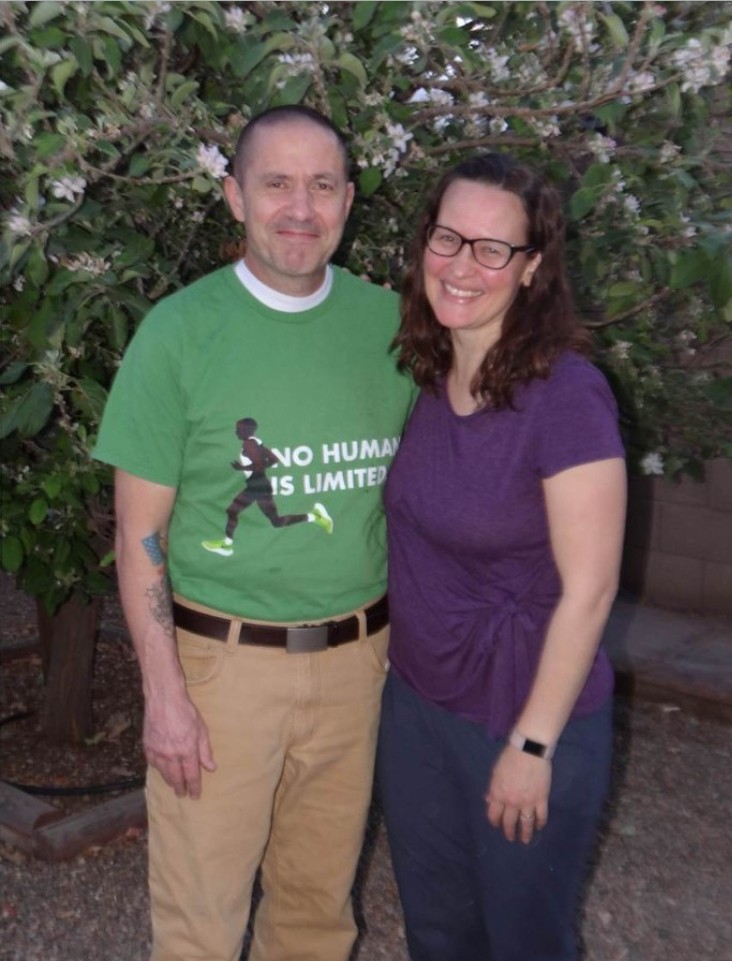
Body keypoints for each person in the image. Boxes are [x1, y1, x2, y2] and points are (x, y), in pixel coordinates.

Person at [93, 105, 415, 961]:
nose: (299, 207)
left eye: (320, 185)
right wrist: (163, 696)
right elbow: (139, 536)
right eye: (275, 183)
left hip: (356, 664)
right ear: (234, 196)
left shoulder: (396, 329)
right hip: (219, 672)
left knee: (316, 911)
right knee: (201, 922)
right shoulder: (178, 334)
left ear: (349, 200)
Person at [376, 152, 627, 961]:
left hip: (523, 715)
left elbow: (590, 588)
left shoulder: (567, 395)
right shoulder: (424, 377)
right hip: (418, 708)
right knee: (439, 936)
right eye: (449, 238)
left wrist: (532, 746)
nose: (462, 265)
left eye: (494, 249)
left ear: (532, 269)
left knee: (523, 942)